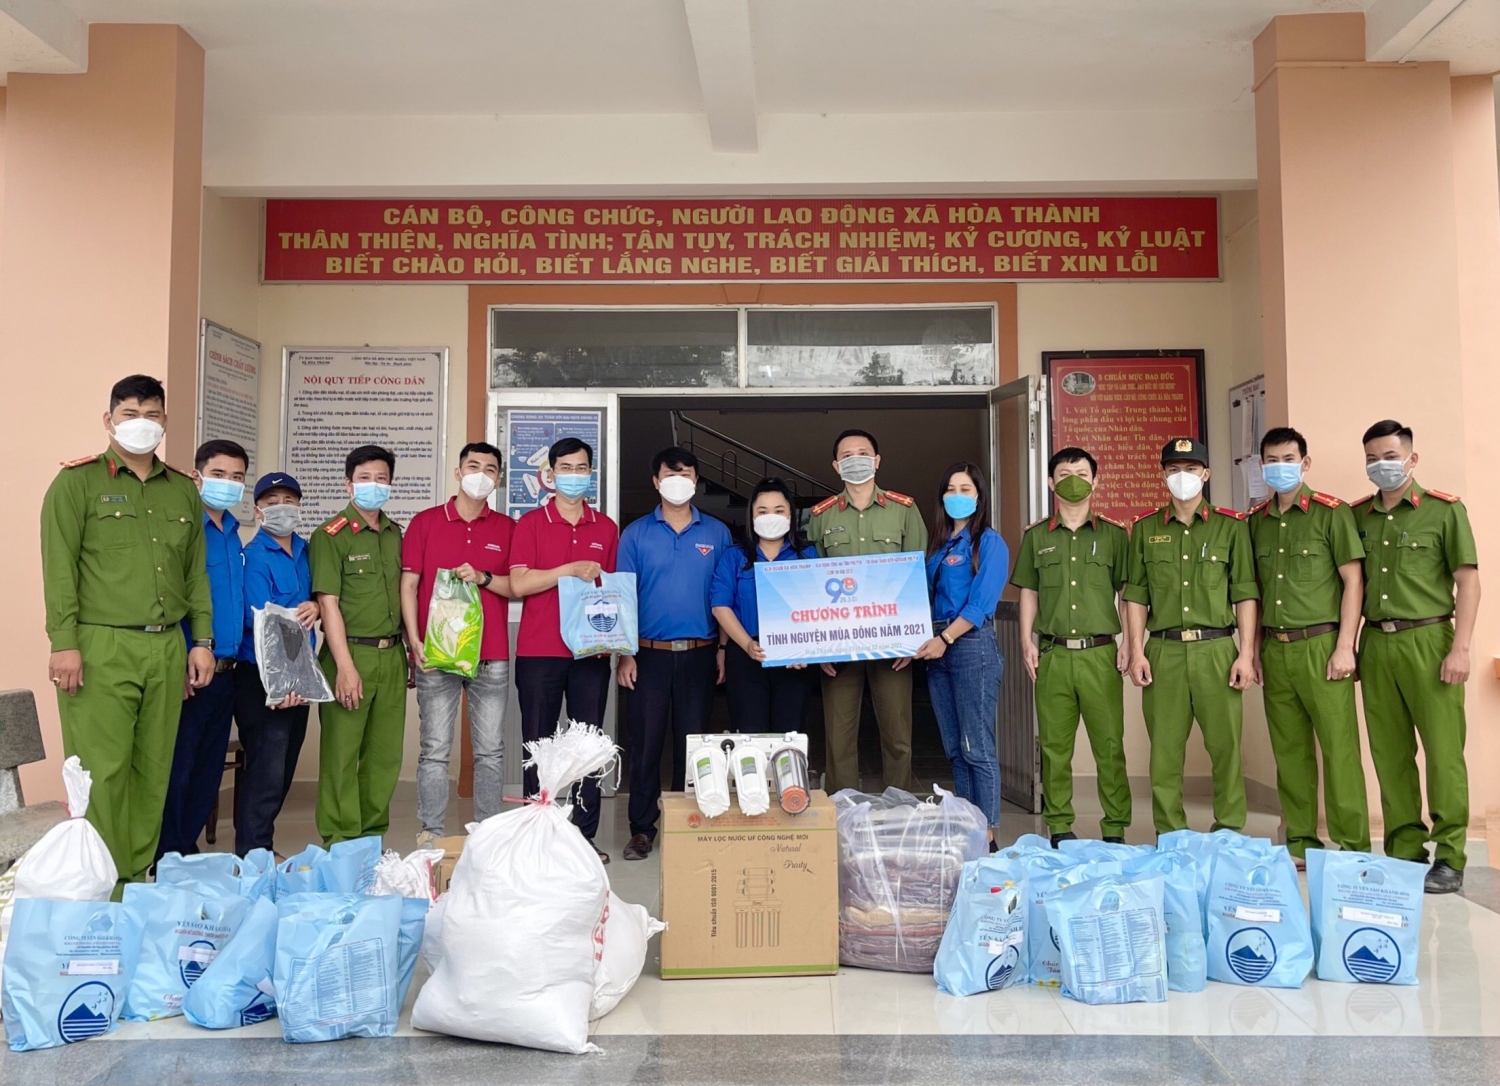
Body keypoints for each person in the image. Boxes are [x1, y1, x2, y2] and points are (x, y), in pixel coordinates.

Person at [41, 374, 214, 892]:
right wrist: (63, 643)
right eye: (131, 413)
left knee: (153, 769)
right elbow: (60, 569)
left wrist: (200, 642)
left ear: (166, 421)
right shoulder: (76, 483)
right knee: (102, 773)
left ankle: (135, 879)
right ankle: (101, 887)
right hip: (100, 645)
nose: (142, 424)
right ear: (109, 419)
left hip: (165, 645)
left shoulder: (184, 489)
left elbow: (195, 573)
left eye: (153, 414)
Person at [1355, 420, 1480, 893]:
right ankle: (1405, 849)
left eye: (1389, 455)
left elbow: (1468, 580)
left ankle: (1450, 855)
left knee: (1444, 752)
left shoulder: (1444, 512)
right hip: (1377, 643)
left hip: (1429, 641)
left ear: (1411, 458)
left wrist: (1460, 647)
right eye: (1371, 457)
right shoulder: (1357, 516)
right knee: (1389, 754)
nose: (1380, 465)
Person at [1124, 437, 1258, 835]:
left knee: (1226, 748)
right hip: (1163, 651)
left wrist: (1246, 654)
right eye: (1174, 469)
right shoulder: (1146, 529)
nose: (1183, 477)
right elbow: (1136, 595)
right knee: (1164, 753)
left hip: (1217, 649)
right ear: (1163, 474)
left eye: (1191, 469)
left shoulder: (1231, 528)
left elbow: (1245, 593)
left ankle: (1229, 830)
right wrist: (1136, 651)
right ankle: (1171, 835)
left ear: (1206, 474)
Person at [1249, 427, 1370, 863]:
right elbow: (1255, 592)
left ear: (1305, 462)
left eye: (1288, 458)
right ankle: (1300, 841)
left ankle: (1352, 846)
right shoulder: (1256, 522)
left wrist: (1345, 646)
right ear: (1261, 465)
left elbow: (1353, 581)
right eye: (1272, 460)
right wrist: (1256, 647)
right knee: (1291, 752)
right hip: (1276, 650)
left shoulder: (1331, 513)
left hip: (1322, 646)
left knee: (1340, 750)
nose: (1280, 467)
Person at [1009, 447, 1132, 846]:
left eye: (1082, 473)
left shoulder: (1115, 535)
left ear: (1096, 481)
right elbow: (1028, 590)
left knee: (1109, 746)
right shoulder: (1036, 537)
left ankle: (1115, 826)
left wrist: (1131, 640)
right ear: (1051, 483)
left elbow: (1129, 592)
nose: (1073, 479)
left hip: (1101, 655)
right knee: (1055, 748)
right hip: (1054, 654)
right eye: (1064, 473)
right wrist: (1026, 639)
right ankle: (1060, 826)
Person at [616, 447, 732, 862]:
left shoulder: (717, 533)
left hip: (700, 654)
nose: (678, 479)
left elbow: (725, 596)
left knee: (695, 744)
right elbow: (622, 598)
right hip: (648, 655)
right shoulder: (635, 535)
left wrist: (721, 648)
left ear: (697, 479)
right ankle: (642, 829)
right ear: (656, 481)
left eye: (686, 473)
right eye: (670, 473)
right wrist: (625, 654)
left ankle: (691, 824)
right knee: (646, 744)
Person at [507, 437, 619, 863]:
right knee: (538, 742)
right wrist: (568, 570)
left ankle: (582, 837)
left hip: (591, 652)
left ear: (591, 473)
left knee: (588, 743)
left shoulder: (606, 528)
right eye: (566, 468)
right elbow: (518, 584)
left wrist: (619, 646)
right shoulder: (531, 524)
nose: (575, 475)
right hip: (540, 649)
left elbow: (614, 592)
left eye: (582, 467)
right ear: (549, 475)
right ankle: (539, 831)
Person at [401, 442, 514, 848]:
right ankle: (430, 832)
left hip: (491, 654)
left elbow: (514, 588)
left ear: (499, 478)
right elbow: (409, 585)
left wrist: (484, 577)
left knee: (490, 752)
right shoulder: (426, 523)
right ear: (457, 472)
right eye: (473, 466)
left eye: (490, 469)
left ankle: (487, 833)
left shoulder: (507, 529)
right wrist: (414, 641)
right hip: (436, 654)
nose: (481, 474)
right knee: (434, 749)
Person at [808, 429, 928, 793]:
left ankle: (899, 808)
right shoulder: (821, 517)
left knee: (898, 735)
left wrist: (914, 639)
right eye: (847, 454)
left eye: (863, 453)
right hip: (838, 647)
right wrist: (817, 649)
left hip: (892, 645)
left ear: (877, 461)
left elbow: (917, 577)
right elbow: (811, 585)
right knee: (838, 739)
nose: (855, 459)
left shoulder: (904, 511)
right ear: (835, 465)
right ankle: (843, 813)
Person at [309, 445, 407, 845]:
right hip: (349, 654)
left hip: (392, 657)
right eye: (364, 478)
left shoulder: (395, 534)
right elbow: (328, 604)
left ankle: (370, 840)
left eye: (381, 478)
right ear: (348, 484)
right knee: (342, 756)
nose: (373, 485)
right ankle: (340, 842)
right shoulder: (330, 535)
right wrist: (345, 667)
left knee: (384, 758)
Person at [157, 439, 250, 859]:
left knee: (209, 771)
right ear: (197, 476)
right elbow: (172, 599)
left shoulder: (233, 533)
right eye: (218, 475)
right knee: (179, 766)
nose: (228, 484)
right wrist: (179, 661)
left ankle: (186, 849)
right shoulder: (183, 526)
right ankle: (166, 853)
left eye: (236, 478)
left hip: (229, 672)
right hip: (193, 669)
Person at [914, 463, 1009, 837]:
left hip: (970, 646)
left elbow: (980, 603)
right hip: (938, 649)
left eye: (966, 489)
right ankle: (966, 827)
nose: (957, 496)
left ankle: (987, 833)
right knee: (954, 747)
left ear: (979, 496)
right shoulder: (938, 545)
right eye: (951, 489)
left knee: (977, 747)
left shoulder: (988, 541)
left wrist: (945, 639)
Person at [234, 472, 318, 856]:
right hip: (264, 677)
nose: (280, 508)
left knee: (284, 768)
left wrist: (315, 606)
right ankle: (254, 853)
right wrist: (281, 684)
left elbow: (316, 602)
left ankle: (257, 847)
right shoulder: (253, 556)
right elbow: (259, 620)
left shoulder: (306, 551)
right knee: (265, 771)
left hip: (301, 673)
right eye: (271, 502)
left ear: (299, 506)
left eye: (288, 500)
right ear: (257, 511)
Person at [711, 477, 817, 736]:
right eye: (763, 511)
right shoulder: (734, 556)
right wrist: (746, 644)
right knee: (750, 736)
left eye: (779, 511)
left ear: (791, 516)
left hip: (795, 659)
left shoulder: (808, 554)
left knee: (788, 737)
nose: (771, 516)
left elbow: (819, 606)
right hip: (747, 656)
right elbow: (720, 605)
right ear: (752, 516)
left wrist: (806, 648)